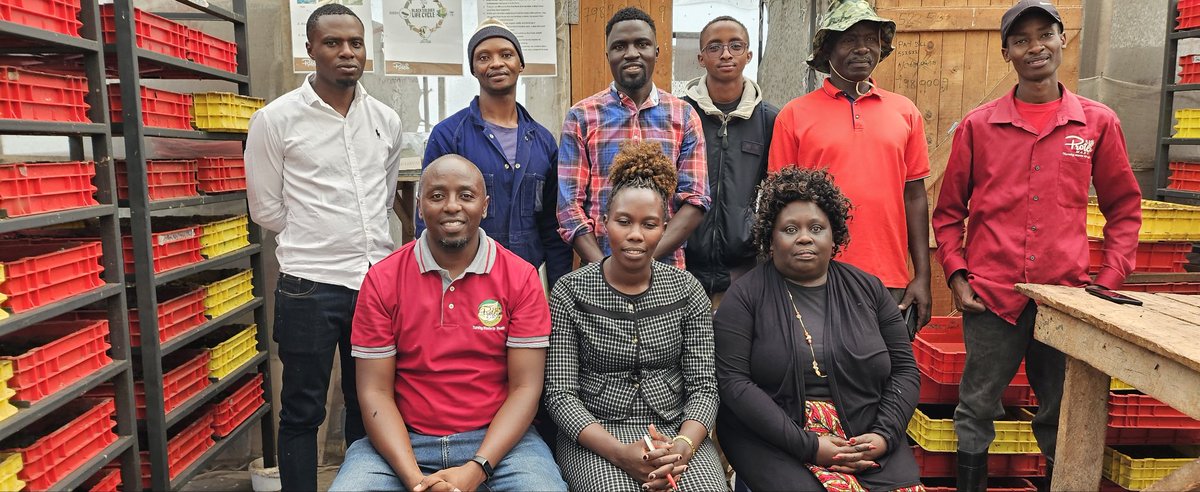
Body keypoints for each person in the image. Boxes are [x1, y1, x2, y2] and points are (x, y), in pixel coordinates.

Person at [932, 1, 1141, 489]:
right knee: (976, 407)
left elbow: (1125, 208)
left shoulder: (1096, 123)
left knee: (1063, 411)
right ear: (1007, 52)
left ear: (1062, 39)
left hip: (1067, 300)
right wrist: (959, 277)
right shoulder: (978, 126)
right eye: (1021, 39)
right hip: (991, 299)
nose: (1035, 47)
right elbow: (946, 216)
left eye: (1044, 34)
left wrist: (1106, 283)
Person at [330, 155, 567, 492]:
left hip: (498, 441)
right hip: (404, 439)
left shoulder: (521, 278)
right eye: (437, 196)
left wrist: (477, 468)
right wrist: (415, 480)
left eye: (466, 196)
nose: (452, 206)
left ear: (484, 206)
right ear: (420, 206)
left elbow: (525, 389)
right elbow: (374, 391)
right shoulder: (383, 279)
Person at [244, 4, 401, 490]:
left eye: (355, 43)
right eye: (333, 43)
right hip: (309, 286)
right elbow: (266, 208)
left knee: (369, 403)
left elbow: (385, 193)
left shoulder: (385, 119)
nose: (346, 52)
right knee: (303, 408)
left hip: (374, 284)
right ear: (310, 49)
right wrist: (316, 233)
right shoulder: (276, 120)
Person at [713, 167, 923, 491]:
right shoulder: (744, 297)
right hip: (772, 438)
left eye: (816, 227)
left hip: (865, 433)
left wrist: (884, 435)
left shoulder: (869, 290)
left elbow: (905, 370)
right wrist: (811, 446)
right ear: (770, 237)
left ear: (834, 234)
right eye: (790, 229)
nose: (805, 237)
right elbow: (733, 384)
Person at [544, 140, 728, 492]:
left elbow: (705, 387)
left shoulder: (687, 290)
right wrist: (620, 454)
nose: (635, 235)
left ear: (664, 226)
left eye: (649, 224)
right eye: (624, 221)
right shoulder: (570, 292)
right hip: (597, 435)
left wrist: (682, 448)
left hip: (677, 432)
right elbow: (561, 394)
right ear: (603, 222)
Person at [768, 0, 932, 330]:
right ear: (828, 50)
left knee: (882, 374)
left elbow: (914, 197)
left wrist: (922, 277)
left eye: (871, 39)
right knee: (815, 373)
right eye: (849, 40)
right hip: (814, 274)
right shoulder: (794, 116)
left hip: (888, 277)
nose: (862, 49)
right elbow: (778, 204)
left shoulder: (905, 112)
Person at [419, 18, 571, 287]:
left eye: (506, 54)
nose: (496, 63)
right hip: (464, 279)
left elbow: (552, 225)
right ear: (474, 69)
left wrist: (560, 293)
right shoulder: (449, 135)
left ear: (520, 64)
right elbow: (429, 216)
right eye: (484, 57)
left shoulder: (543, 142)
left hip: (525, 280)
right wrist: (429, 283)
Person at [557, 6, 709, 270]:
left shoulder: (684, 116)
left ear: (656, 52)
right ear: (608, 55)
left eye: (642, 44)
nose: (631, 54)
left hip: (666, 272)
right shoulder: (581, 117)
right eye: (619, 46)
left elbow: (695, 200)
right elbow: (569, 207)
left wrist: (644, 261)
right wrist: (606, 269)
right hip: (597, 273)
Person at [681, 15, 778, 299]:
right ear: (700, 57)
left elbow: (776, 190)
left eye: (736, 46)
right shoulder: (681, 115)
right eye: (715, 47)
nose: (726, 54)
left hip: (743, 271)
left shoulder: (769, 120)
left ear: (748, 55)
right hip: (683, 267)